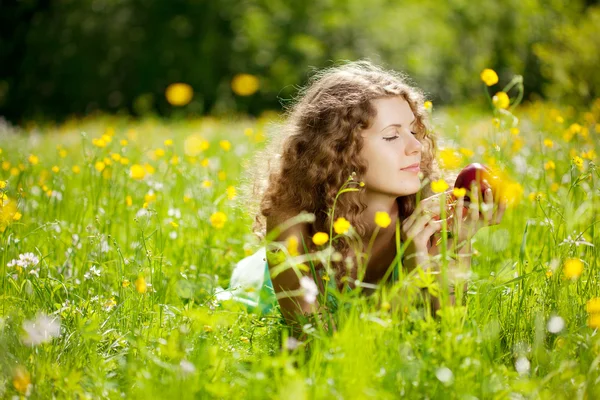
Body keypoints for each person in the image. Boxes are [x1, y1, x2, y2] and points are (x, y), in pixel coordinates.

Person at [230, 59, 507, 342]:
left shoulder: (435, 213)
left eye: (413, 131)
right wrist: (410, 285)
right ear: (338, 150)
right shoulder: (291, 213)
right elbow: (314, 341)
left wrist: (446, 254)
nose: (416, 146)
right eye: (391, 136)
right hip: (265, 293)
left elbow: (446, 335)